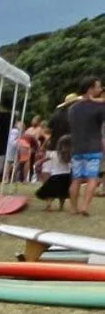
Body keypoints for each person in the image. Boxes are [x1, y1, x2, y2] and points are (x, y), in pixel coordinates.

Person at [67, 76, 105, 216]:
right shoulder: (99, 107)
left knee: (76, 179)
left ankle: (73, 208)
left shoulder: (72, 108)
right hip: (93, 148)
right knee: (92, 178)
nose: (101, 89)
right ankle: (84, 207)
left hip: (77, 148)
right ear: (90, 89)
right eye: (98, 86)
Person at [35, 134, 72, 211]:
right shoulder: (69, 155)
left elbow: (43, 160)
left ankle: (49, 206)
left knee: (50, 191)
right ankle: (61, 207)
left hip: (56, 175)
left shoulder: (54, 153)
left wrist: (38, 163)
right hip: (67, 176)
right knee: (63, 192)